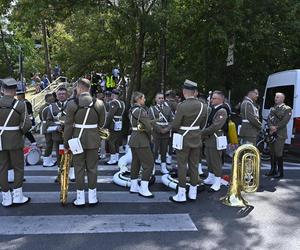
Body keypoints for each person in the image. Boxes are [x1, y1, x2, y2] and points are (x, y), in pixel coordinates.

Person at [64, 78, 106, 206]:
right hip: (93, 139)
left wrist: (66, 143)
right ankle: (92, 197)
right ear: (88, 88)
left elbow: (68, 126)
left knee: (79, 168)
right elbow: (102, 123)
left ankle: (80, 198)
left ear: (79, 87)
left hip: (77, 140)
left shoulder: (72, 104)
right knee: (92, 168)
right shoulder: (99, 103)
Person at [169, 80, 208, 203]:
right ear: (195, 92)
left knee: (181, 165)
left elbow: (175, 125)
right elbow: (203, 124)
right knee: (194, 165)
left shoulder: (182, 105)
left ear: (184, 92)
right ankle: (193, 193)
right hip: (196, 137)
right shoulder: (204, 105)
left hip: (184, 138)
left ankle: (181, 194)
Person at [0, 78, 32, 207]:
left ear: (2, 90)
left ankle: (6, 197)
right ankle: (18, 196)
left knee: (2, 168)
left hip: (0, 140)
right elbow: (26, 124)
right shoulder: (20, 104)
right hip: (15, 139)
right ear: (14, 91)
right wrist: (20, 131)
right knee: (18, 168)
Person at [128, 91, 155, 198]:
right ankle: (144, 189)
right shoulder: (140, 111)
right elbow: (148, 127)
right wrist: (151, 135)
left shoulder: (131, 110)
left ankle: (134, 186)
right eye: (143, 98)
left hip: (134, 138)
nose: (144, 100)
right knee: (149, 164)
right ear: (138, 99)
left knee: (136, 162)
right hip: (141, 140)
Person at [201, 90, 228, 192]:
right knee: (209, 158)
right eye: (212, 98)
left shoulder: (222, 111)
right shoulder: (213, 109)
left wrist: (202, 132)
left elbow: (215, 126)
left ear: (221, 99)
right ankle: (211, 177)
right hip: (209, 138)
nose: (211, 100)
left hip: (215, 138)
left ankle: (217, 181)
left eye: (214, 98)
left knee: (216, 160)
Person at [266, 92, 292, 178]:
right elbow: (269, 118)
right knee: (272, 152)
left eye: (277, 97)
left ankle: (280, 173)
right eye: (275, 97)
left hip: (280, 134)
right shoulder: (273, 108)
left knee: (278, 152)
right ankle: (273, 170)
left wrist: (275, 127)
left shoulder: (287, 109)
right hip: (272, 133)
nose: (275, 98)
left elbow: (285, 121)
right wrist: (270, 126)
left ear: (282, 99)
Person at [46, 86, 68, 182]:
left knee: (70, 154)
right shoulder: (51, 106)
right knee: (59, 155)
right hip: (57, 135)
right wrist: (56, 126)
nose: (62, 96)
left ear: (67, 95)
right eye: (60, 94)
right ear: (57, 96)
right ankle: (60, 175)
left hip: (69, 134)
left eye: (63, 94)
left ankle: (71, 174)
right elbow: (48, 121)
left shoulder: (72, 105)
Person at [149, 93, 173, 174]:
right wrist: (160, 130)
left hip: (166, 133)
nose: (161, 99)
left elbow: (171, 121)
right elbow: (151, 121)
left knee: (164, 150)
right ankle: (152, 167)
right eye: (159, 98)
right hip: (156, 133)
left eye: (162, 98)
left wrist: (167, 129)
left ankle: (163, 167)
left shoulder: (168, 109)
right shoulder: (152, 109)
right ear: (156, 99)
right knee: (154, 151)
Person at [104, 89, 125, 165]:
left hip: (113, 123)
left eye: (112, 94)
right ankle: (116, 157)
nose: (111, 95)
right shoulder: (122, 103)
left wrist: (106, 125)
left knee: (111, 141)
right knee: (116, 141)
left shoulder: (114, 102)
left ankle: (113, 159)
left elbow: (110, 115)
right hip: (119, 122)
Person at [39, 93, 56, 167]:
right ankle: (46, 161)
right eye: (52, 98)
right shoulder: (48, 107)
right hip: (47, 127)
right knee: (49, 144)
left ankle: (49, 159)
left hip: (45, 126)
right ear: (48, 99)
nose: (53, 99)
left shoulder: (44, 106)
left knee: (50, 143)